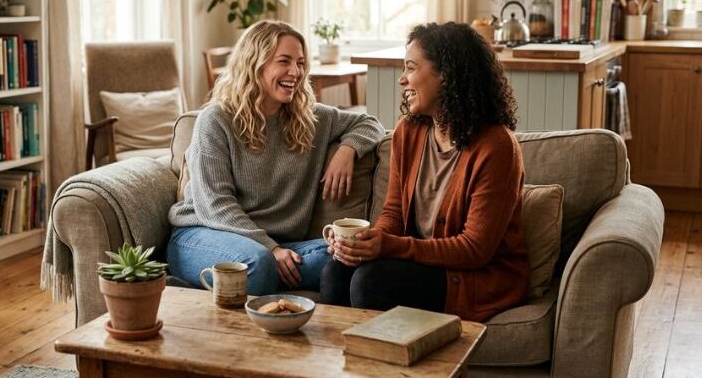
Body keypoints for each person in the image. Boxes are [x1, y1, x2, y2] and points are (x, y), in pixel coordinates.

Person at [320, 22, 529, 322]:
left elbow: (474, 249)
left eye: (410, 68)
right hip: (424, 264)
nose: (402, 79)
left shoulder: (497, 147)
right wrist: (366, 242)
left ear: (445, 74)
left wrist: (388, 246)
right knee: (335, 272)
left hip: (474, 277)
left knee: (371, 281)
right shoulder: (409, 131)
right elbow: (393, 212)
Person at [168, 20, 385, 296]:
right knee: (257, 263)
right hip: (203, 235)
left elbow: (371, 123)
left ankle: (214, 286)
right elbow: (215, 206)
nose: (295, 72)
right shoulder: (217, 120)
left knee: (346, 256)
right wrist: (271, 250)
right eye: (284, 61)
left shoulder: (311, 119)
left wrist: (348, 150)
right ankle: (233, 283)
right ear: (255, 64)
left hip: (275, 246)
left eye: (300, 63)